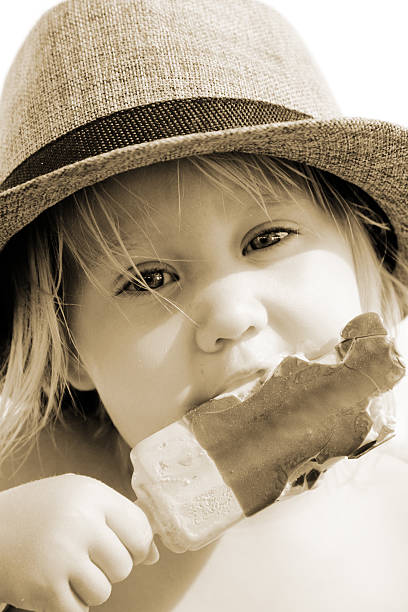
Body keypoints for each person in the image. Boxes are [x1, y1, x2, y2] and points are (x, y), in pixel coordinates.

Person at [0, 1, 407, 611]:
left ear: (363, 253)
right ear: (69, 350)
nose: (230, 315)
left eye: (265, 240)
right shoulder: (25, 505)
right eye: (150, 278)